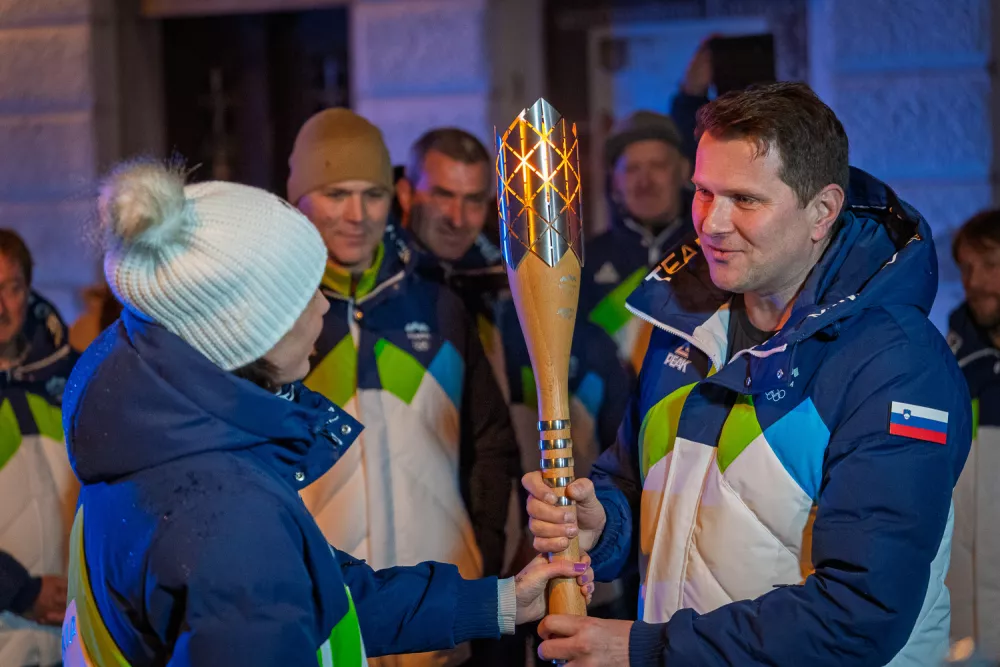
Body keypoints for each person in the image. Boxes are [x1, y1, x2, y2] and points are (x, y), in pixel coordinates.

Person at [60, 159, 594, 666]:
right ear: (248, 332)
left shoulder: (154, 439)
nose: (322, 307)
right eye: (302, 295)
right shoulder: (230, 520)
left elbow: (312, 596)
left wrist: (499, 602)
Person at [523, 82, 972, 666]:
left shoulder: (896, 365)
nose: (711, 223)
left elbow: (860, 612)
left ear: (822, 211)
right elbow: (636, 484)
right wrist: (601, 522)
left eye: (745, 199)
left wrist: (647, 649)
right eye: (704, 193)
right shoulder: (684, 324)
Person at [288, 111, 520, 666]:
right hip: (319, 621)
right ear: (299, 199)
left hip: (436, 623)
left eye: (371, 195)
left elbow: (492, 442)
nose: (356, 215)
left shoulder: (438, 304)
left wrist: (478, 556)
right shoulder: (275, 318)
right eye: (335, 193)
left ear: (392, 197)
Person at [0, 229, 78, 667]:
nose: (1, 307)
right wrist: (19, 590)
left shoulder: (71, 378)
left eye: (12, 288)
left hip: (69, 642)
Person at [582, 110, 694, 375]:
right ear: (615, 182)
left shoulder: (714, 252)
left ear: (684, 171)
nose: (645, 181)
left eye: (658, 166)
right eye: (632, 169)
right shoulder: (584, 262)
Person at [948, 209, 1000, 659]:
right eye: (966, 268)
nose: (975, 280)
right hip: (962, 638)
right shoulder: (947, 367)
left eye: (990, 264)